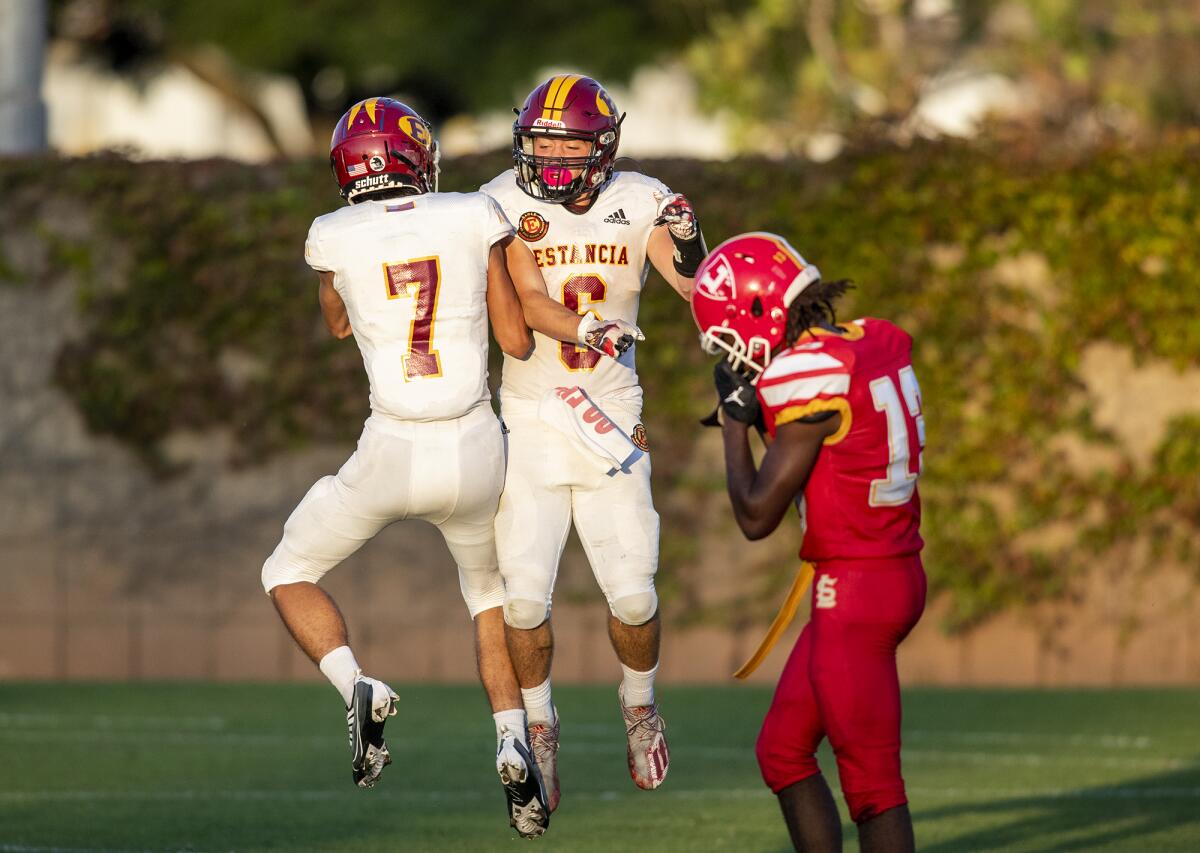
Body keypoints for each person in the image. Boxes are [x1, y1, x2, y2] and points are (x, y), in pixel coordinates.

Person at [260, 97, 636, 838]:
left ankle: (357, 684)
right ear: (417, 157)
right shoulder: (471, 213)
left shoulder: (330, 233)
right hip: (474, 444)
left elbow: (338, 322)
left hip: (391, 447)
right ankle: (509, 737)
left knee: (286, 570)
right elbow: (515, 340)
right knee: (488, 596)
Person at [479, 73, 706, 808]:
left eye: (564, 144)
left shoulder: (639, 198)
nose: (547, 156)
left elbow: (694, 286)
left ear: (602, 149)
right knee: (522, 604)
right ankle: (539, 724)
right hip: (532, 412)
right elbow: (524, 308)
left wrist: (689, 237)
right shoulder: (499, 203)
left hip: (611, 413)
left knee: (635, 597)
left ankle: (639, 701)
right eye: (539, 141)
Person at [692, 232, 926, 853]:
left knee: (874, 788)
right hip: (877, 574)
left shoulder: (806, 375)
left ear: (760, 312)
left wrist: (734, 425)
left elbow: (755, 514)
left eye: (728, 333)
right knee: (783, 752)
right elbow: (825, 456)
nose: (730, 354)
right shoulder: (867, 339)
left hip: (856, 592)